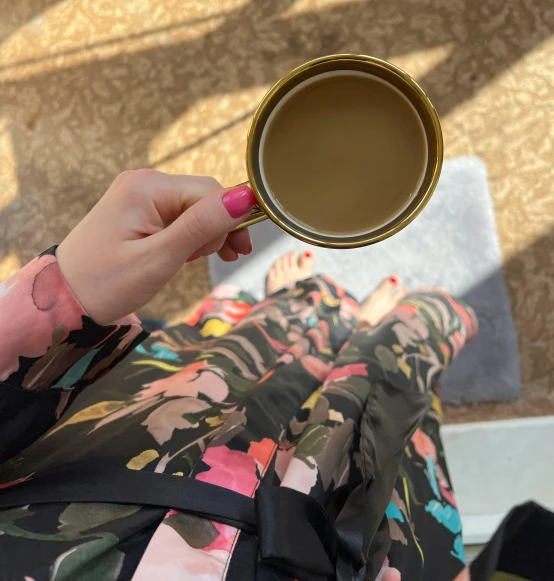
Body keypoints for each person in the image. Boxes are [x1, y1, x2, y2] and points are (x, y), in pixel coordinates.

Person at [0, 170, 477, 580]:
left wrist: (66, 292)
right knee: (381, 399)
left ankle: (294, 309)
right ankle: (365, 338)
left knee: (221, 367)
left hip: (87, 472)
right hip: (337, 551)